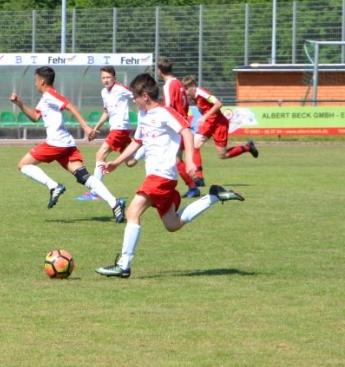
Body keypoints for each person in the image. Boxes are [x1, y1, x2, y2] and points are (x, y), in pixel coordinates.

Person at [95, 73, 245, 278]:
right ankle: (213, 196)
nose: (134, 101)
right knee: (172, 224)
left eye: (135, 97)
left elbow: (186, 132)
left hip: (162, 175)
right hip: (157, 176)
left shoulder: (165, 113)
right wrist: (116, 162)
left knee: (132, 212)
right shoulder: (143, 115)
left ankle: (124, 265)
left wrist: (190, 160)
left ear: (145, 96)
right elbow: (137, 142)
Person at [10, 66, 126, 222]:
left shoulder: (50, 95)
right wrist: (20, 104)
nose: (35, 84)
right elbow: (35, 117)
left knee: (22, 165)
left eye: (36, 81)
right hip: (65, 143)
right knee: (83, 177)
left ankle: (53, 186)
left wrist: (85, 127)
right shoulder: (46, 97)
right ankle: (115, 203)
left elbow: (70, 106)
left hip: (56, 142)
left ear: (42, 81)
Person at [81, 66, 137, 201]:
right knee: (130, 161)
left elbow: (137, 96)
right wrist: (95, 128)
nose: (106, 80)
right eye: (103, 78)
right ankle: (145, 147)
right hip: (117, 129)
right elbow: (106, 112)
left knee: (100, 154)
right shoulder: (104, 92)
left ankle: (96, 192)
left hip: (120, 128)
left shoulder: (121, 88)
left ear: (114, 78)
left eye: (108, 77)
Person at [181, 75, 258, 169]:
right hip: (208, 124)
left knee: (223, 155)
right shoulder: (194, 97)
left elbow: (218, 104)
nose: (185, 92)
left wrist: (204, 116)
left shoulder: (202, 93)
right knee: (194, 145)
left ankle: (248, 147)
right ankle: (199, 176)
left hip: (219, 124)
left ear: (193, 86)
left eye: (187, 89)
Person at [156, 56, 202, 197]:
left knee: (174, 160)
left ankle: (192, 187)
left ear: (159, 71)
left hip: (176, 127)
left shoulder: (168, 85)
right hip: (183, 123)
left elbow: (168, 108)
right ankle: (188, 187)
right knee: (175, 159)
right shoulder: (179, 83)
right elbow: (185, 104)